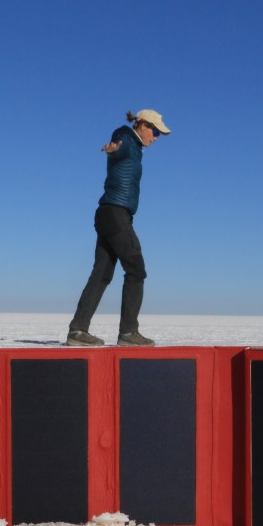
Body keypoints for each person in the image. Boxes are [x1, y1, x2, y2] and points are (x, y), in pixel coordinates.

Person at [67, 108, 172, 347]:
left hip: (108, 214)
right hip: (115, 214)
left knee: (102, 274)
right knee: (136, 270)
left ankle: (78, 331)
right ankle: (128, 333)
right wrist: (113, 148)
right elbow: (119, 144)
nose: (156, 137)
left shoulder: (136, 148)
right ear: (142, 125)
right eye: (155, 131)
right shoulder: (125, 135)